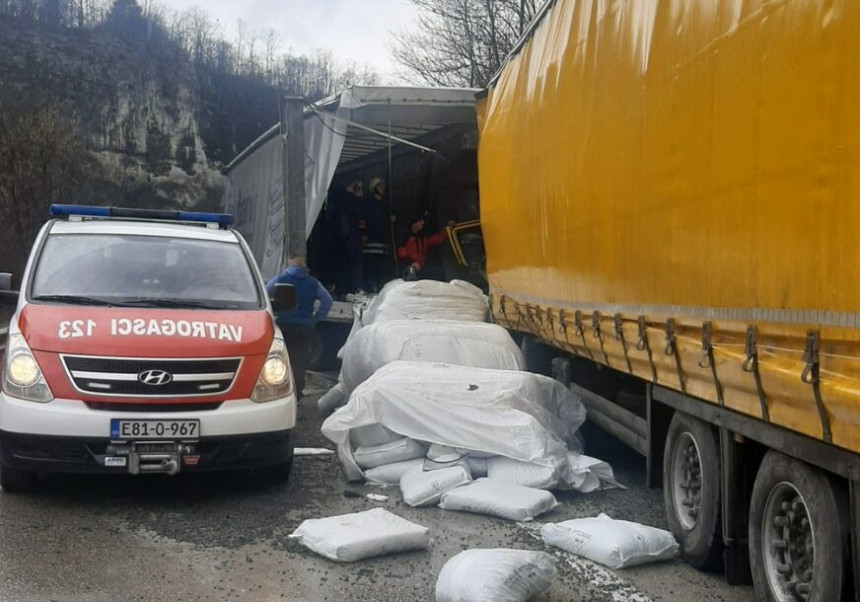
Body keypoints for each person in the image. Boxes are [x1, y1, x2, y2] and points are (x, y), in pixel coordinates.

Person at [266, 255, 333, 398]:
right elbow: (327, 300)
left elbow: (265, 295)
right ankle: (296, 395)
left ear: (290, 266)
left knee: (278, 359)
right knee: (299, 362)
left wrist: (271, 315)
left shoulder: (280, 279)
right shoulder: (314, 283)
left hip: (283, 326)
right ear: (304, 267)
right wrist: (316, 318)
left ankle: (278, 392)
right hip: (304, 328)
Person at [329, 179, 365, 295]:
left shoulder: (338, 198)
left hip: (343, 237)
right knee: (354, 262)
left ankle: (344, 289)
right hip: (348, 236)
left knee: (345, 264)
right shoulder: (347, 199)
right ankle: (355, 287)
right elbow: (352, 215)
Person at [360, 176, 394, 292]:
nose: (383, 188)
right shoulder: (368, 203)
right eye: (380, 186)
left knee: (381, 264)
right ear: (374, 188)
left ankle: (378, 285)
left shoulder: (384, 204)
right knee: (371, 264)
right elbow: (363, 220)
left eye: (383, 186)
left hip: (382, 239)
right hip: (371, 239)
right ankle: (369, 285)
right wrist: (363, 234)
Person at [396, 217, 455, 281]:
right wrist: (411, 262)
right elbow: (401, 252)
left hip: (421, 267)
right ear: (414, 224)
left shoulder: (423, 238)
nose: (421, 225)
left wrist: (447, 229)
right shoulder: (405, 236)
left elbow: (437, 239)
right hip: (408, 266)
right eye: (419, 222)